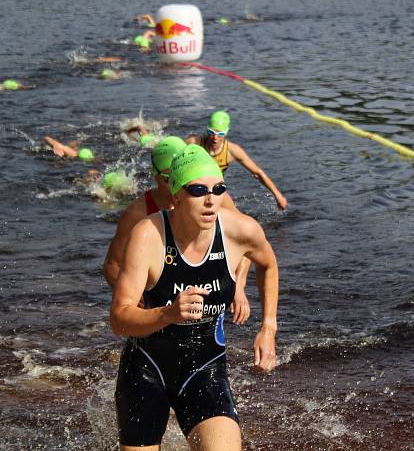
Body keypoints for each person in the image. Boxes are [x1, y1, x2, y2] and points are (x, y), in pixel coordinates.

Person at [110, 144, 279, 450]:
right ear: (176, 195)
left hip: (205, 367)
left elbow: (268, 264)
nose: (211, 199)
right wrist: (168, 314)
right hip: (147, 369)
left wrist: (268, 328)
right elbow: (119, 318)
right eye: (198, 189)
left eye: (218, 188)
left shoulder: (240, 231)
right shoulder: (148, 235)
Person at [103, 137, 251, 324]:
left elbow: (246, 243)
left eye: (182, 175)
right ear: (155, 176)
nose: (177, 182)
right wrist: (133, 298)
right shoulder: (137, 213)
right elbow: (111, 264)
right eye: (168, 178)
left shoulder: (212, 196)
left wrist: (238, 286)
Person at [187, 110, 288, 210]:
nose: (215, 137)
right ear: (207, 130)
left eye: (220, 134)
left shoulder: (232, 151)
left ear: (226, 133)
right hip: (194, 185)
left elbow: (258, 173)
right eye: (211, 132)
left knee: (235, 215)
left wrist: (278, 195)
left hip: (215, 189)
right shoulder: (194, 143)